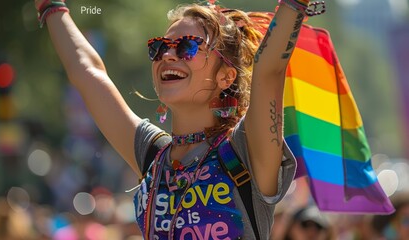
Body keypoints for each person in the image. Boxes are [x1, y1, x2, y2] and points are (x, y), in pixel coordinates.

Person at [35, 0, 324, 238]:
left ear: (226, 76)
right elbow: (87, 73)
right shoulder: (153, 155)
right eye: (159, 47)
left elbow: (269, 68)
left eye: (187, 47)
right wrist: (51, 6)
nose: (168, 55)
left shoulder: (245, 151)